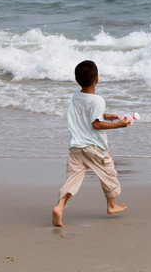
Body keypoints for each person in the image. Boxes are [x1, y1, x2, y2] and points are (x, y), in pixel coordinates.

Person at [52, 60, 130, 227]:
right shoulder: (97, 100)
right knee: (108, 173)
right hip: (93, 147)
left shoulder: (76, 97)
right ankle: (111, 205)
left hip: (76, 147)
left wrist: (105, 115)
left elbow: (85, 114)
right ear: (97, 79)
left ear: (77, 79)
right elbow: (95, 124)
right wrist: (119, 125)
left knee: (73, 179)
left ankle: (60, 207)